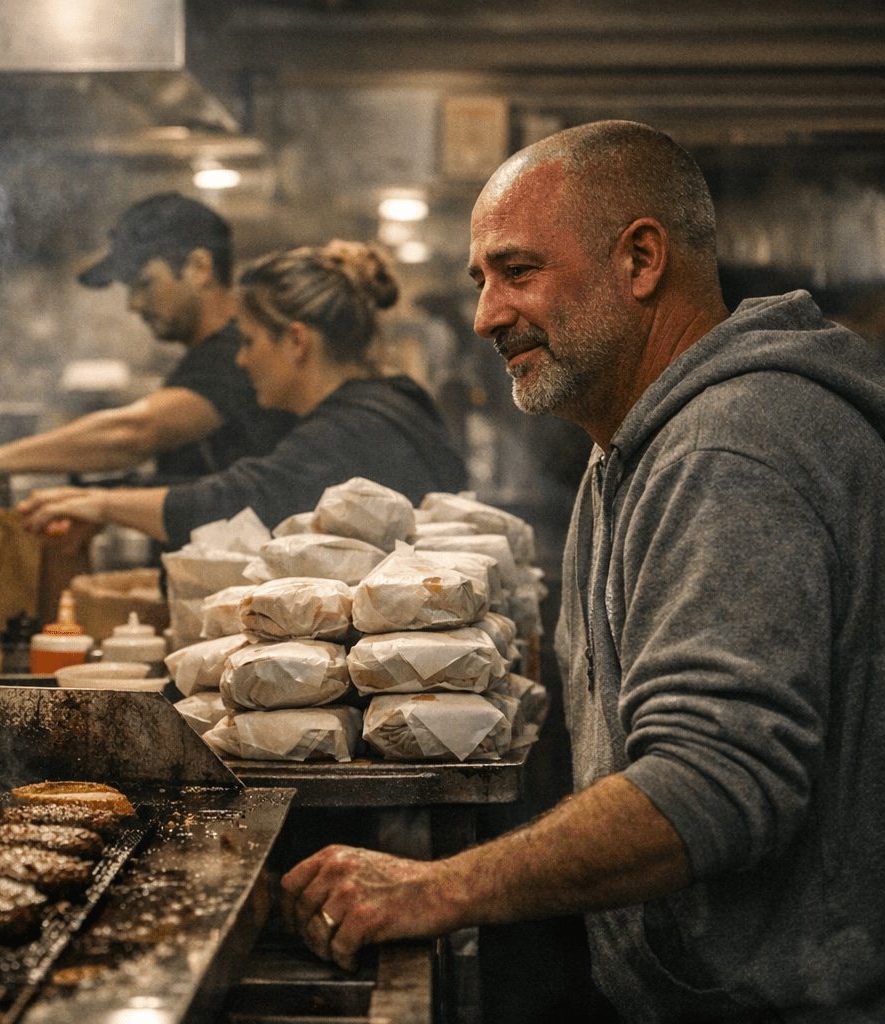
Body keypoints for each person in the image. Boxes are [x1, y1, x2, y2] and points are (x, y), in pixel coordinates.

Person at [279, 120, 885, 1022]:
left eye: (518, 272)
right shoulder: (633, 446)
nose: (486, 315)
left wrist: (437, 888)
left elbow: (719, 779)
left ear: (641, 259)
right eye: (481, 282)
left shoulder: (730, 446)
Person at [18, 239, 467, 545]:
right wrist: (113, 493)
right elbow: (251, 483)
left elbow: (238, 502)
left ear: (295, 342)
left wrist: (102, 503)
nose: (241, 360)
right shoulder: (389, 401)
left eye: (249, 341)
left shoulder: (353, 430)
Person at [0, 192, 296, 500]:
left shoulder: (235, 356)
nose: (133, 305)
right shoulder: (207, 358)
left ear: (199, 267)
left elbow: (135, 433)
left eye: (143, 283)